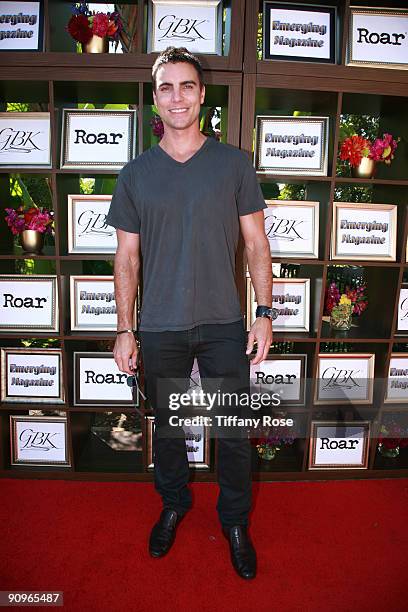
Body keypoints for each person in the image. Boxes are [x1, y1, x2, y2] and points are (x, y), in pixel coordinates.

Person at [106, 47, 274, 580]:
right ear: (155, 99)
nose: (176, 96)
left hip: (224, 321)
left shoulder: (233, 163)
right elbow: (126, 257)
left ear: (202, 95)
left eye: (186, 86)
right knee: (171, 430)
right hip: (159, 326)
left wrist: (265, 312)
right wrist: (125, 329)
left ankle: (235, 522)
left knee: (231, 431)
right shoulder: (135, 174)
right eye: (166, 87)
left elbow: (256, 245)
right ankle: (174, 503)